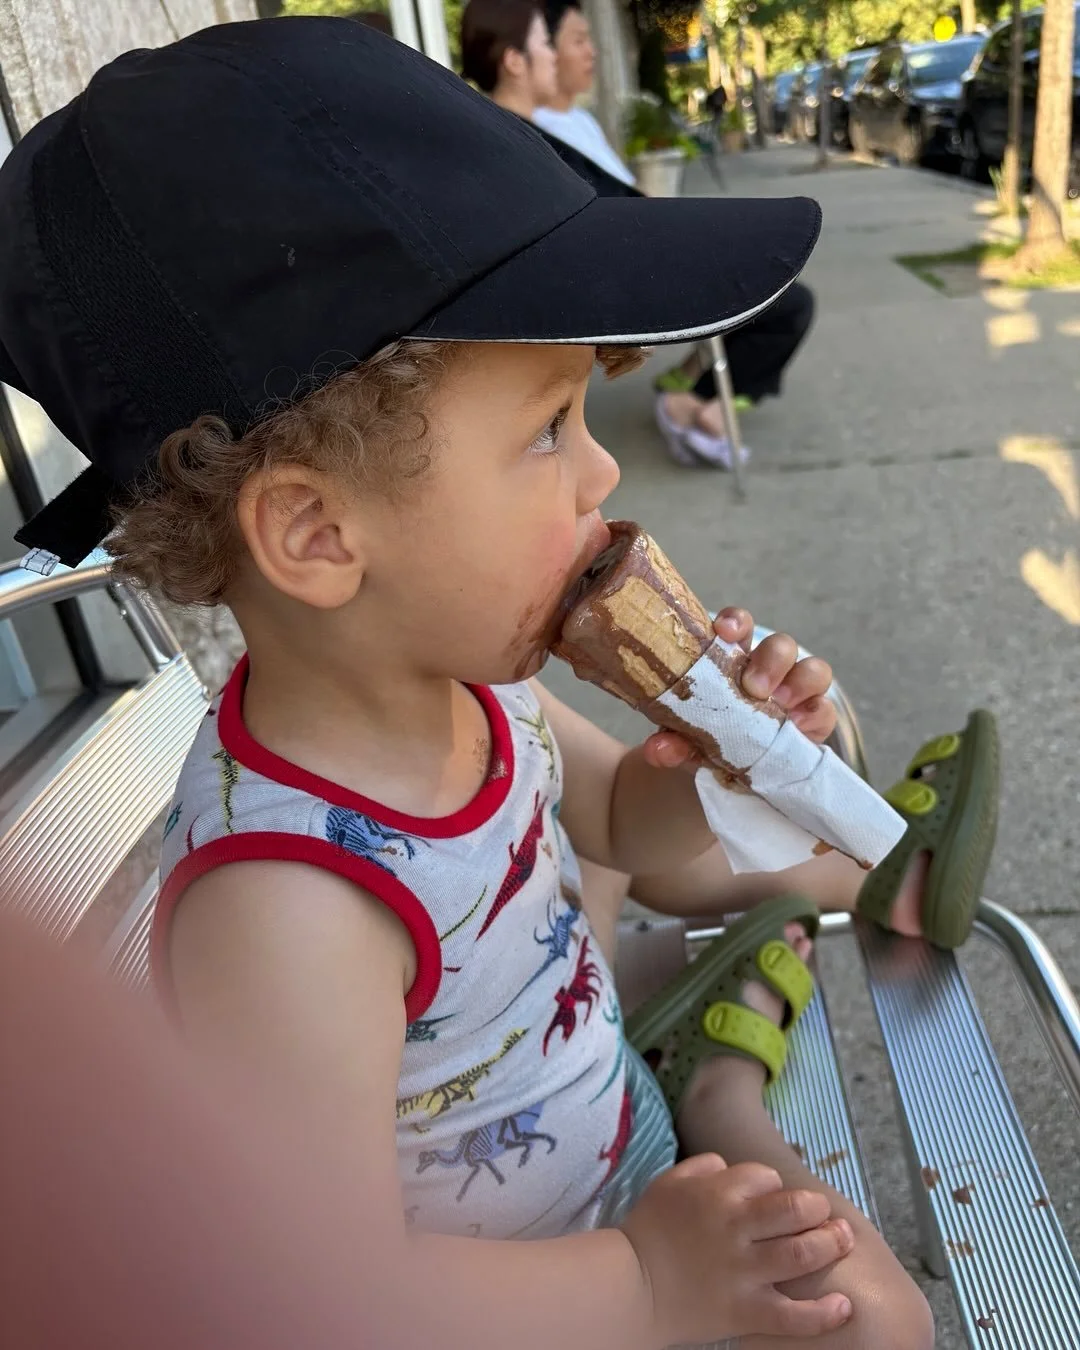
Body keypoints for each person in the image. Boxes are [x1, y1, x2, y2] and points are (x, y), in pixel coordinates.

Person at [2, 16, 1001, 1349]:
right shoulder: (288, 904)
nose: (602, 473)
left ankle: (705, 1078)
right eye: (546, 429)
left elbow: (624, 836)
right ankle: (718, 1074)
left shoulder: (474, 691)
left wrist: (699, 768)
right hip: (527, 1292)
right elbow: (326, 1297)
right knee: (879, 1324)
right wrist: (649, 1285)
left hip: (602, 1138)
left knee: (878, 1308)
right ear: (317, 535)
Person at [470, 0, 816, 470]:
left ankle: (691, 388)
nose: (570, 55)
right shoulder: (518, 149)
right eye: (553, 46)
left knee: (774, 272)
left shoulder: (548, 130)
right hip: (629, 271)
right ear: (514, 61)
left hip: (642, 250)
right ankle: (689, 402)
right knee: (785, 301)